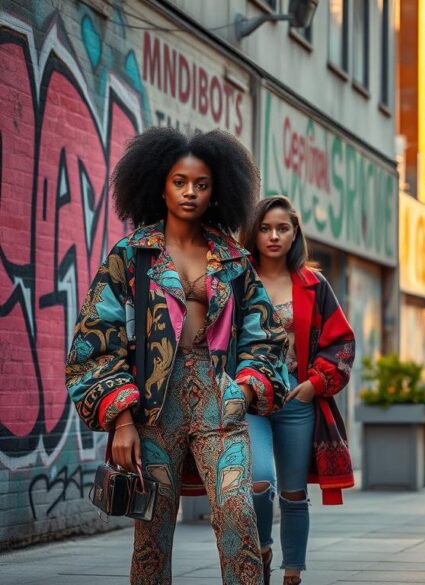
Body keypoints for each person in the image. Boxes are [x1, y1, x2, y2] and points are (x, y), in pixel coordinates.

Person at [66, 127, 288, 584]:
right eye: (179, 181)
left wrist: (244, 387)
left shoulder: (232, 260)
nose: (190, 192)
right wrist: (122, 420)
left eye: (201, 184)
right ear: (159, 185)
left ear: (217, 190)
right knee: (151, 534)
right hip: (151, 409)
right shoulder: (131, 255)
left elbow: (263, 334)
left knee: (238, 518)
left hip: (219, 401)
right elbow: (94, 338)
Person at [243, 196, 357, 585]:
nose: (273, 236)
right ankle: (259, 549)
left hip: (297, 397)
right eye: (265, 228)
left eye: (282, 228)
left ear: (295, 234)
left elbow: (341, 341)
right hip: (249, 398)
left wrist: (314, 384)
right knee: (258, 482)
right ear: (254, 232)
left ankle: (292, 572)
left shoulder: (314, 283)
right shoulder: (237, 279)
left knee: (293, 494)